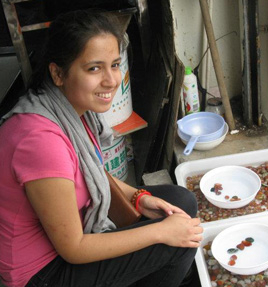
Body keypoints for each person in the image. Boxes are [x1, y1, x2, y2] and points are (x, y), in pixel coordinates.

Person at [0, 9, 203, 287]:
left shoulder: (70, 109)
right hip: (43, 273)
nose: (111, 80)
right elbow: (74, 248)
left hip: (69, 237)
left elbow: (89, 178)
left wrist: (138, 197)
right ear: (58, 73)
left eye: (115, 64)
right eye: (94, 68)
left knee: (181, 203)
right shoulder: (40, 141)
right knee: (176, 243)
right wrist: (161, 234)